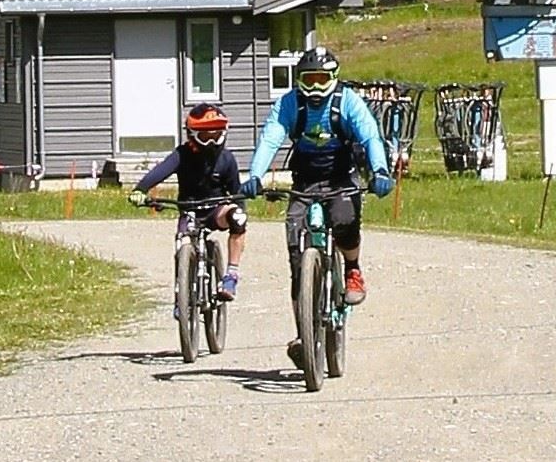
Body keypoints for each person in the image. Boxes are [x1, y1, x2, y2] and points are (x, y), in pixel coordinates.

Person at [242, 45, 392, 361]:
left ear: (334, 78)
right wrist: (255, 176)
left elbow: (370, 136)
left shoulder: (347, 101)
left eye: (321, 79)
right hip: (304, 181)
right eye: (308, 79)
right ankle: (303, 335)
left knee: (344, 222)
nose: (314, 86)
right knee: (297, 259)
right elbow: (270, 138)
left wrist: (380, 171)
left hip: (340, 178)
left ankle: (352, 269)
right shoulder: (289, 104)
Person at [132, 99, 248, 297]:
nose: (212, 141)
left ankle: (231, 275)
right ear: (192, 135)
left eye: (217, 134)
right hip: (190, 210)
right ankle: (182, 294)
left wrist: (240, 212)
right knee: (183, 244)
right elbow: (161, 171)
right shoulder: (182, 154)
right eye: (205, 135)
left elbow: (237, 192)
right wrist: (141, 189)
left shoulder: (227, 159)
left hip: (216, 211)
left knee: (238, 217)